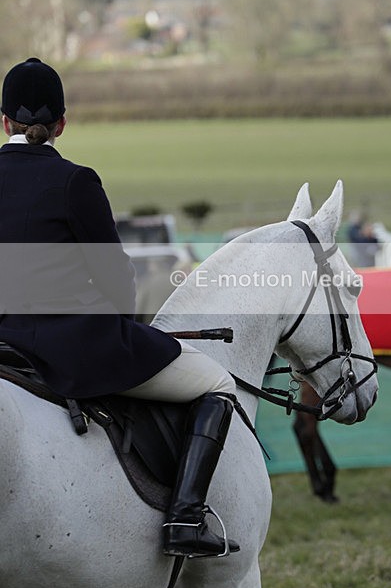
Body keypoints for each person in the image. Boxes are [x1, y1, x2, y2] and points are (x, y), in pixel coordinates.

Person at [0, 57, 239, 557]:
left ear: (4, 122)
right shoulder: (75, 180)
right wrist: (123, 329)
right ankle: (185, 519)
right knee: (217, 382)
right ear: (62, 124)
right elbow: (114, 278)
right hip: (74, 349)